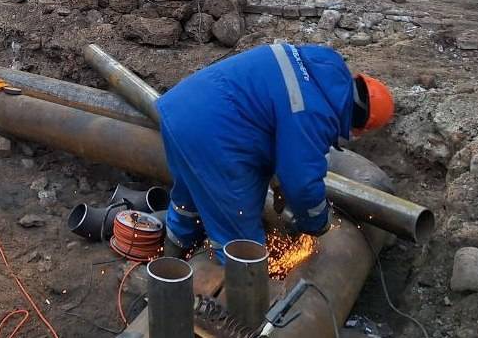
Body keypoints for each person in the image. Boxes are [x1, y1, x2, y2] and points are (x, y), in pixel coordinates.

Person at [155, 42, 394, 259]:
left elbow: (275, 120)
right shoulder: (316, 114)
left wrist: (278, 185)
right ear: (359, 127)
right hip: (214, 136)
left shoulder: (320, 66)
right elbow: (302, 183)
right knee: (242, 244)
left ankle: (169, 259)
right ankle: (242, 300)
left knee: (188, 202)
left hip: (179, 112)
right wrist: (317, 223)